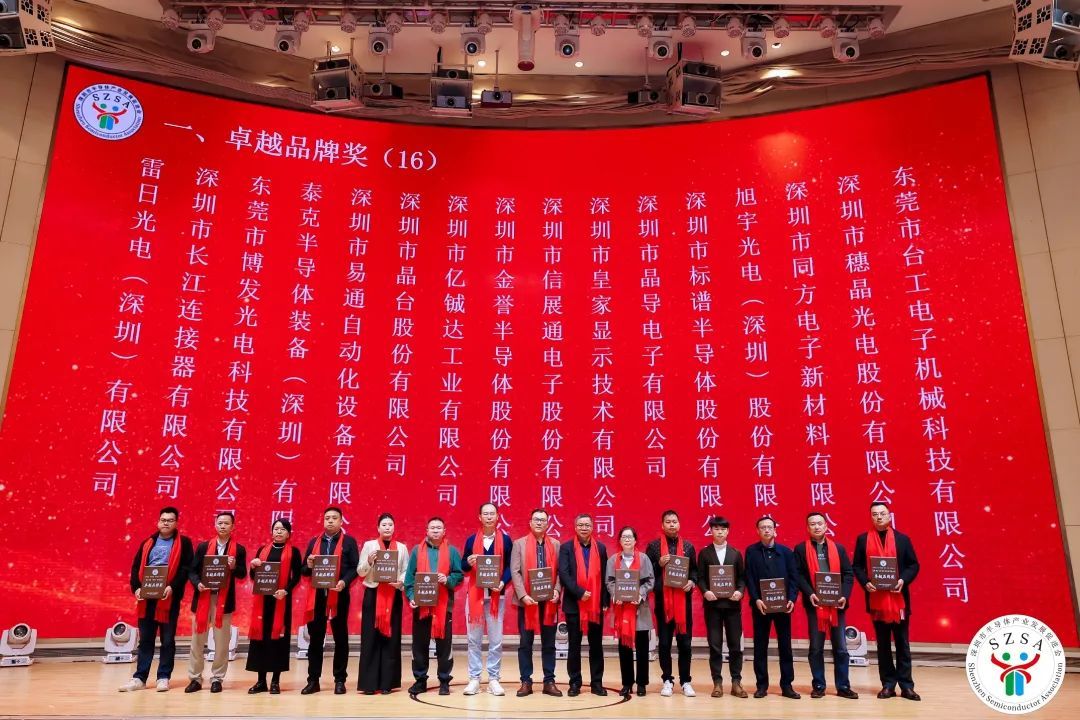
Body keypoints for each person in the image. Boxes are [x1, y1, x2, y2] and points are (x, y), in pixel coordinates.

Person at [119, 506, 194, 692]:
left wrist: (172, 587)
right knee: (146, 639)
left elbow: (186, 569)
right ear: (158, 522)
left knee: (167, 640)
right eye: (163, 520)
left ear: (176, 523)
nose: (166, 523)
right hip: (147, 599)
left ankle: (163, 677)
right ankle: (140, 678)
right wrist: (137, 588)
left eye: (170, 520)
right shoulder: (148, 542)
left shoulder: (184, 543)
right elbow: (136, 567)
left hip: (168, 599)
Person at [853, 502, 921, 701]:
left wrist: (903, 580)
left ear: (890, 516)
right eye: (875, 514)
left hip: (899, 601)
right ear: (871, 517)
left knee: (902, 644)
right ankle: (888, 685)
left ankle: (907, 686)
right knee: (883, 645)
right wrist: (865, 582)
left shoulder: (902, 539)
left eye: (882, 513)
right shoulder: (863, 539)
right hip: (877, 601)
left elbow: (913, 565)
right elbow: (857, 566)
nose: (879, 517)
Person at [794, 512, 858, 700]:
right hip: (815, 605)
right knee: (816, 648)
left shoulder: (838, 548)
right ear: (807, 528)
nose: (816, 527)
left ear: (826, 526)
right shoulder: (800, 549)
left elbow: (848, 574)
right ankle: (819, 685)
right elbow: (798, 575)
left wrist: (844, 595)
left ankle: (843, 686)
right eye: (812, 524)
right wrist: (810, 593)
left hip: (837, 605)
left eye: (819, 523)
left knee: (841, 648)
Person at [185, 511, 247, 693]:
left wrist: (234, 566)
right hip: (203, 598)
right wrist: (198, 583)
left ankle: (217, 678)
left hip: (224, 600)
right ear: (215, 525)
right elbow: (192, 571)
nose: (223, 526)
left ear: (233, 526)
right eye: (220, 523)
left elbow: (243, 573)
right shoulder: (203, 547)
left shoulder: (239, 549)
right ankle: (195, 678)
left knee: (221, 642)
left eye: (226, 523)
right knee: (197, 640)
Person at [300, 506, 360, 695]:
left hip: (339, 594)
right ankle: (313, 680)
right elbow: (304, 571)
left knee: (340, 637)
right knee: (315, 639)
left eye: (334, 518)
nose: (330, 521)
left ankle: (340, 680)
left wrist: (344, 582)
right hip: (317, 597)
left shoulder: (349, 542)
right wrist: (309, 565)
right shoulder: (314, 542)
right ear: (323, 521)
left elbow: (355, 567)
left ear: (341, 521)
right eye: (327, 518)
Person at [404, 517, 464, 696]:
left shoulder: (452, 551)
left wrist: (448, 579)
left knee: (444, 646)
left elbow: (459, 575)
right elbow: (409, 578)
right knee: (419, 645)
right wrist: (412, 597)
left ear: (444, 531)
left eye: (439, 528)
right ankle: (420, 680)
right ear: (427, 531)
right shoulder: (417, 551)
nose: (436, 530)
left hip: (444, 606)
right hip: (421, 606)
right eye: (432, 528)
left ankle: (444, 680)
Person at [744, 515, 800, 700]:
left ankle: (787, 685)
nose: (766, 530)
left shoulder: (786, 552)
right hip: (761, 607)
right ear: (757, 531)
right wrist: (756, 599)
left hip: (783, 607)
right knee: (760, 646)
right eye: (763, 527)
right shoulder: (751, 552)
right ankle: (761, 685)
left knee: (785, 646)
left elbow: (794, 578)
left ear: (775, 530)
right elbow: (749, 578)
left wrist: (791, 599)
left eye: (769, 527)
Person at [461, 503, 514, 696]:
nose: (489, 517)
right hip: (475, 596)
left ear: (498, 516)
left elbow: (510, 567)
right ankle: (474, 679)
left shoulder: (506, 540)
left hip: (496, 596)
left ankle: (493, 679)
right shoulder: (471, 540)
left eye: (492, 513)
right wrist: (468, 562)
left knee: (496, 640)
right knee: (473, 640)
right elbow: (463, 565)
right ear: (480, 517)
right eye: (486, 514)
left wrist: (502, 582)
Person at [644, 509, 698, 697]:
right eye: (668, 522)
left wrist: (692, 581)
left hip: (683, 603)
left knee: (685, 644)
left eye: (674, 521)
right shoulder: (653, 547)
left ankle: (686, 681)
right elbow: (647, 573)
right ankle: (667, 680)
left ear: (679, 524)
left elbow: (694, 571)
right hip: (663, 604)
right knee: (665, 644)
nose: (672, 524)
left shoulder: (689, 547)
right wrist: (658, 564)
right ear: (662, 525)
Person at [509, 508, 562, 697]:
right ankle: (526, 681)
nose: (539, 522)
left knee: (549, 643)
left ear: (547, 524)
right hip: (527, 601)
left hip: (549, 602)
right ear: (530, 523)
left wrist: (557, 590)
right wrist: (523, 595)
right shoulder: (519, 544)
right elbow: (515, 571)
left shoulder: (555, 544)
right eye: (536, 519)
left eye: (543, 520)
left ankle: (549, 681)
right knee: (525, 643)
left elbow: (560, 572)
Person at [246, 518, 302, 694]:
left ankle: (275, 681)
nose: (278, 532)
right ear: (272, 532)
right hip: (263, 602)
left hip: (281, 601)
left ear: (288, 533)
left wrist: (285, 591)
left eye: (282, 529)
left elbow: (296, 576)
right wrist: (253, 567)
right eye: (276, 529)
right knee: (261, 640)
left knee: (279, 641)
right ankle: (261, 681)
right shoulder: (262, 550)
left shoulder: (294, 552)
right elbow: (254, 577)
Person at [356, 513, 409, 695]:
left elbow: (406, 570)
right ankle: (369, 684)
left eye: (390, 524)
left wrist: (400, 582)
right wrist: (369, 561)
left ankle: (387, 683)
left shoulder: (401, 548)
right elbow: (360, 572)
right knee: (370, 639)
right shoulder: (369, 546)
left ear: (394, 528)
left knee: (390, 640)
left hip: (393, 595)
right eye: (384, 525)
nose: (387, 527)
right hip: (373, 595)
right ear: (378, 528)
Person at [696, 516, 747, 699]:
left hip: (732, 605)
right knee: (715, 645)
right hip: (713, 606)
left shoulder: (735, 553)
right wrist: (705, 591)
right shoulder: (704, 553)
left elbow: (742, 578)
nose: (720, 532)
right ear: (711, 531)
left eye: (723, 529)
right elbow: (700, 577)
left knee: (735, 646)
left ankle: (736, 682)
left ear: (728, 531)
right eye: (716, 529)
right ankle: (717, 683)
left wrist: (740, 591)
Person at [558, 513, 609, 697]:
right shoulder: (566, 548)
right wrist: (580, 592)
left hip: (595, 604)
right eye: (580, 525)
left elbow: (605, 575)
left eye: (587, 525)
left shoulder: (600, 548)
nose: (584, 528)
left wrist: (604, 600)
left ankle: (597, 683)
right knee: (574, 645)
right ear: (575, 527)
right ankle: (575, 683)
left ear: (592, 527)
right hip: (574, 603)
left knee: (596, 645)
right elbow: (564, 574)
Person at [606, 526, 655, 698]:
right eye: (624, 537)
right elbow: (609, 582)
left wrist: (640, 594)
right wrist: (615, 594)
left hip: (640, 608)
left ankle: (641, 683)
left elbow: (650, 581)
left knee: (642, 648)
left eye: (630, 537)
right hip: (621, 609)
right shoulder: (613, 560)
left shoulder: (644, 558)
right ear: (619, 541)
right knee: (624, 648)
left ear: (635, 540)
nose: (627, 539)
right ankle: (627, 683)